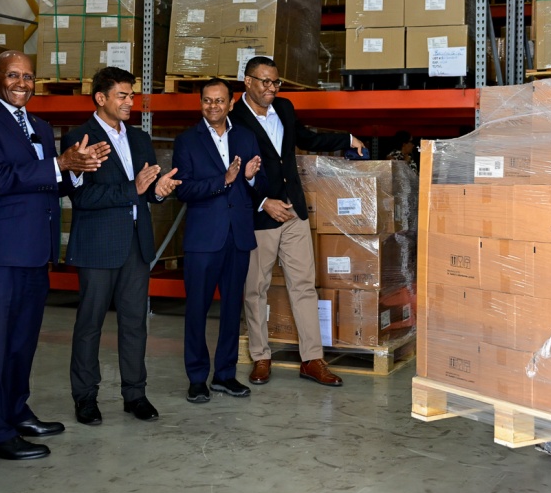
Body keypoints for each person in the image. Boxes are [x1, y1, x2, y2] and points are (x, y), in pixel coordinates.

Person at [0, 50, 111, 461]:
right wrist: (60, 163)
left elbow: (50, 183)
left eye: (28, 77)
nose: (21, 83)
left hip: (33, 251)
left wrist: (77, 169)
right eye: (13, 75)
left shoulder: (40, 126)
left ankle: (15, 412)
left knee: (21, 343)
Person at [230, 56, 365, 387]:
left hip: (293, 211)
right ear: (247, 82)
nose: (272, 88)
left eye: (276, 82)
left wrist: (347, 139)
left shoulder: (285, 108)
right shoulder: (233, 119)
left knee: (304, 285)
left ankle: (312, 359)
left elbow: (308, 139)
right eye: (265, 81)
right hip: (260, 216)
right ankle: (261, 357)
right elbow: (230, 171)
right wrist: (263, 202)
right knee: (255, 289)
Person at [62, 67, 181, 427]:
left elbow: (147, 190)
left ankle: (135, 395)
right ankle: (86, 398)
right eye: (123, 95)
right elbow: (82, 197)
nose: (131, 102)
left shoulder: (140, 139)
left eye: (132, 95)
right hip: (98, 245)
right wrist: (135, 188)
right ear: (101, 98)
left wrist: (158, 192)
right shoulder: (80, 137)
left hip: (135, 244)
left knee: (134, 323)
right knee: (90, 324)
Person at [172, 78, 266, 403]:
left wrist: (250, 178)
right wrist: (223, 181)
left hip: (238, 237)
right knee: (197, 309)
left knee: (231, 309)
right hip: (203, 240)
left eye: (219, 100)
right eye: (207, 100)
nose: (213, 106)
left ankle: (225, 375)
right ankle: (197, 378)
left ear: (231, 103)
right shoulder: (187, 141)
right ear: (201, 103)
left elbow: (261, 183)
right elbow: (183, 189)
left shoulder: (246, 137)